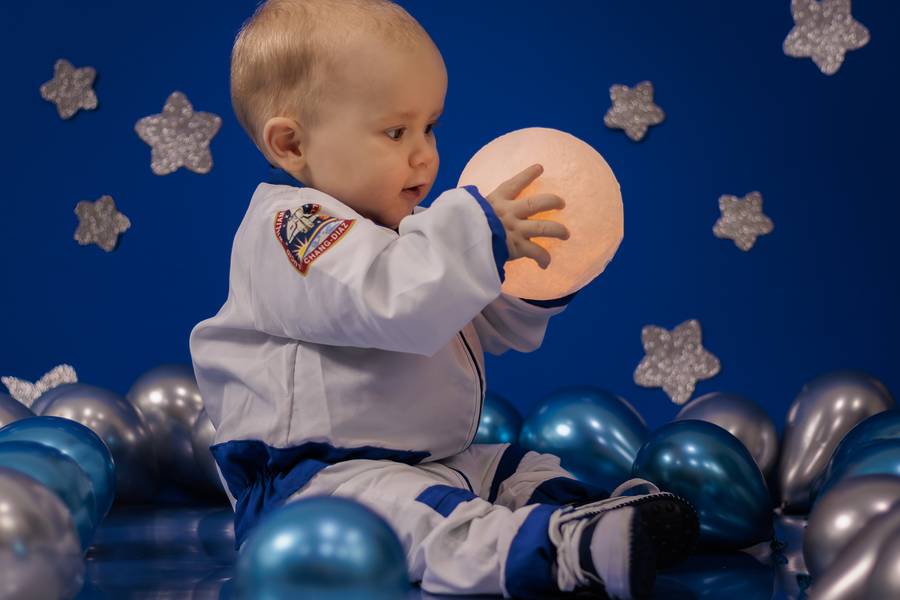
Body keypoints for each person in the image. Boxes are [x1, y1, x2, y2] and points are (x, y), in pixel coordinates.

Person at [190, 1, 699, 597]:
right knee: (415, 516)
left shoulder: (408, 235)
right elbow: (391, 300)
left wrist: (535, 275)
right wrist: (476, 233)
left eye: (431, 127)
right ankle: (554, 552)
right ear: (292, 145)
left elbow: (471, 320)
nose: (424, 153)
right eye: (395, 131)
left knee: (515, 468)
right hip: (313, 481)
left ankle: (596, 517)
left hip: (425, 458)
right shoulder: (293, 231)